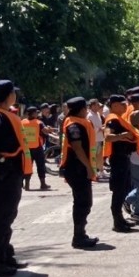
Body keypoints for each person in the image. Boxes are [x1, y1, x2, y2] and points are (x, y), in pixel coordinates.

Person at [0, 80, 32, 277]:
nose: (15, 96)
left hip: (11, 172)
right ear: (8, 95)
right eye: (13, 93)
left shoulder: (5, 114)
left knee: (7, 216)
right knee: (1, 218)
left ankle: (5, 255)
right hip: (4, 173)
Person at [59, 97, 100, 249]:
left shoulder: (77, 121)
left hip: (79, 167)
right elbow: (77, 147)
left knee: (84, 202)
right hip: (76, 168)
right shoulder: (74, 124)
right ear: (82, 109)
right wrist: (89, 168)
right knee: (83, 202)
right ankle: (78, 236)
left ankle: (81, 234)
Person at [103, 94, 139, 232]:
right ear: (114, 106)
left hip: (124, 158)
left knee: (122, 190)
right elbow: (108, 137)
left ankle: (120, 219)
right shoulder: (112, 120)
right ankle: (117, 222)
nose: (125, 106)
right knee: (118, 191)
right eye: (122, 104)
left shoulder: (120, 118)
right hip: (118, 159)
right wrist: (123, 135)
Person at [21, 106, 52, 191]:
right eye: (36, 112)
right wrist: (50, 129)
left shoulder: (22, 122)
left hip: (26, 148)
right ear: (34, 113)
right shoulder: (39, 122)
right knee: (40, 166)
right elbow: (45, 130)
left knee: (27, 166)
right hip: (37, 147)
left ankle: (26, 185)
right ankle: (43, 184)